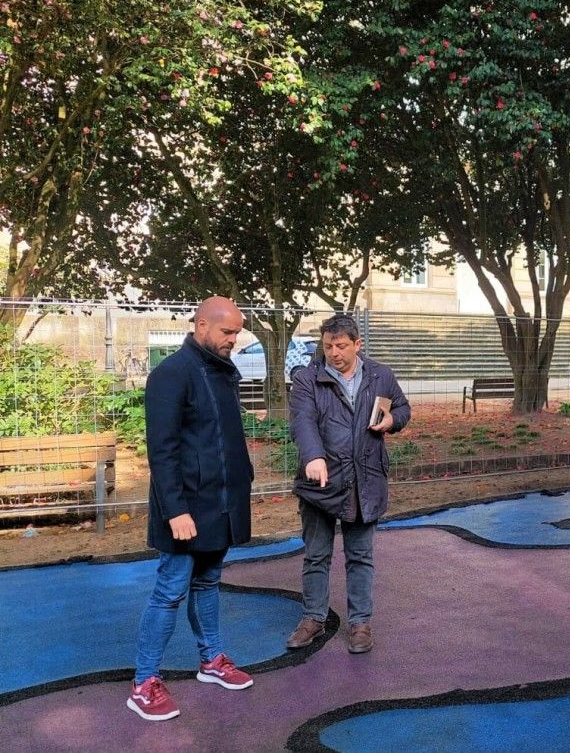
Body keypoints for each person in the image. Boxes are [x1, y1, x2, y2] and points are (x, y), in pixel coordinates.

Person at [128, 297, 256, 722]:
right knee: (170, 591)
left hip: (221, 504)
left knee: (209, 582)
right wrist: (175, 511)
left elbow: (220, 441)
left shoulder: (224, 373)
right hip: (183, 510)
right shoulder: (171, 375)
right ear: (202, 325)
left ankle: (211, 661)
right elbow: (161, 451)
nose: (234, 340)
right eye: (227, 332)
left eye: (237, 333)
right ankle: (144, 683)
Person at [286, 314, 412, 654]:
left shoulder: (380, 374)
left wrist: (392, 420)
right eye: (328, 346)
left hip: (365, 479)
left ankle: (360, 623)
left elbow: (402, 407)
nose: (334, 353)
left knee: (360, 555)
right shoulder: (306, 379)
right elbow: (302, 420)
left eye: (341, 346)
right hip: (320, 482)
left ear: (358, 344)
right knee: (316, 554)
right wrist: (313, 456)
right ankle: (313, 617)